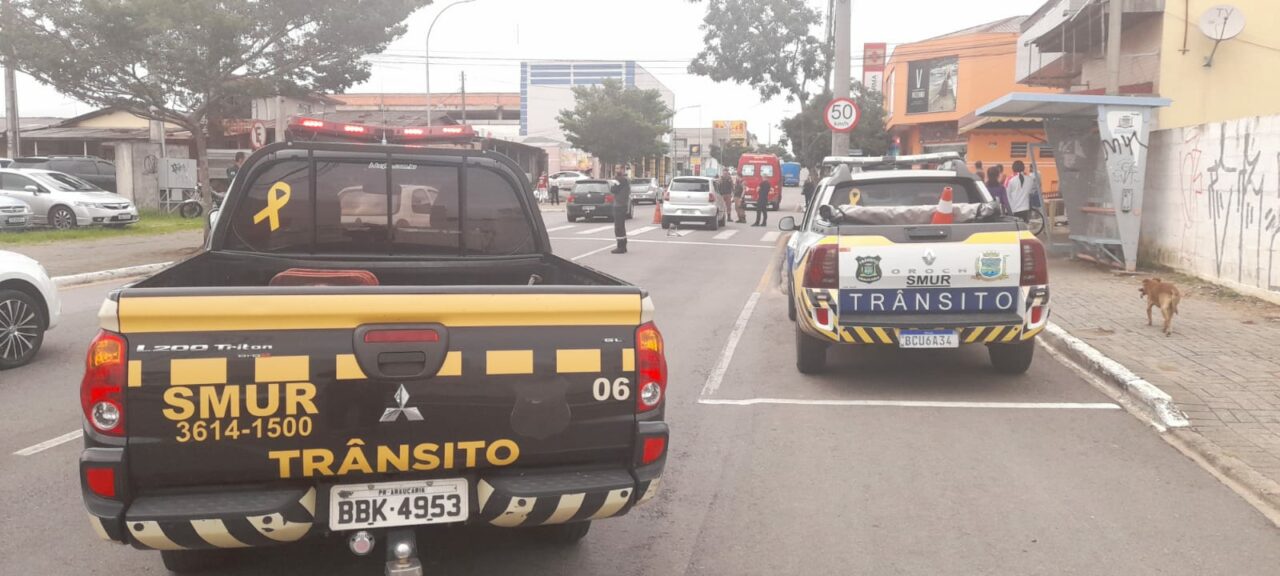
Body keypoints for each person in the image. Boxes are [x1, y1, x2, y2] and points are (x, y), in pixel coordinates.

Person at [611, 166, 631, 254]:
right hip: (622, 205)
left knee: (618, 227)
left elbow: (613, 189)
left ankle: (620, 247)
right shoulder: (624, 180)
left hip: (619, 205)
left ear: (623, 170)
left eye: (619, 168)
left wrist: (615, 180)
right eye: (616, 168)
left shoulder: (620, 180)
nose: (617, 170)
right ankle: (623, 246)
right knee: (621, 226)